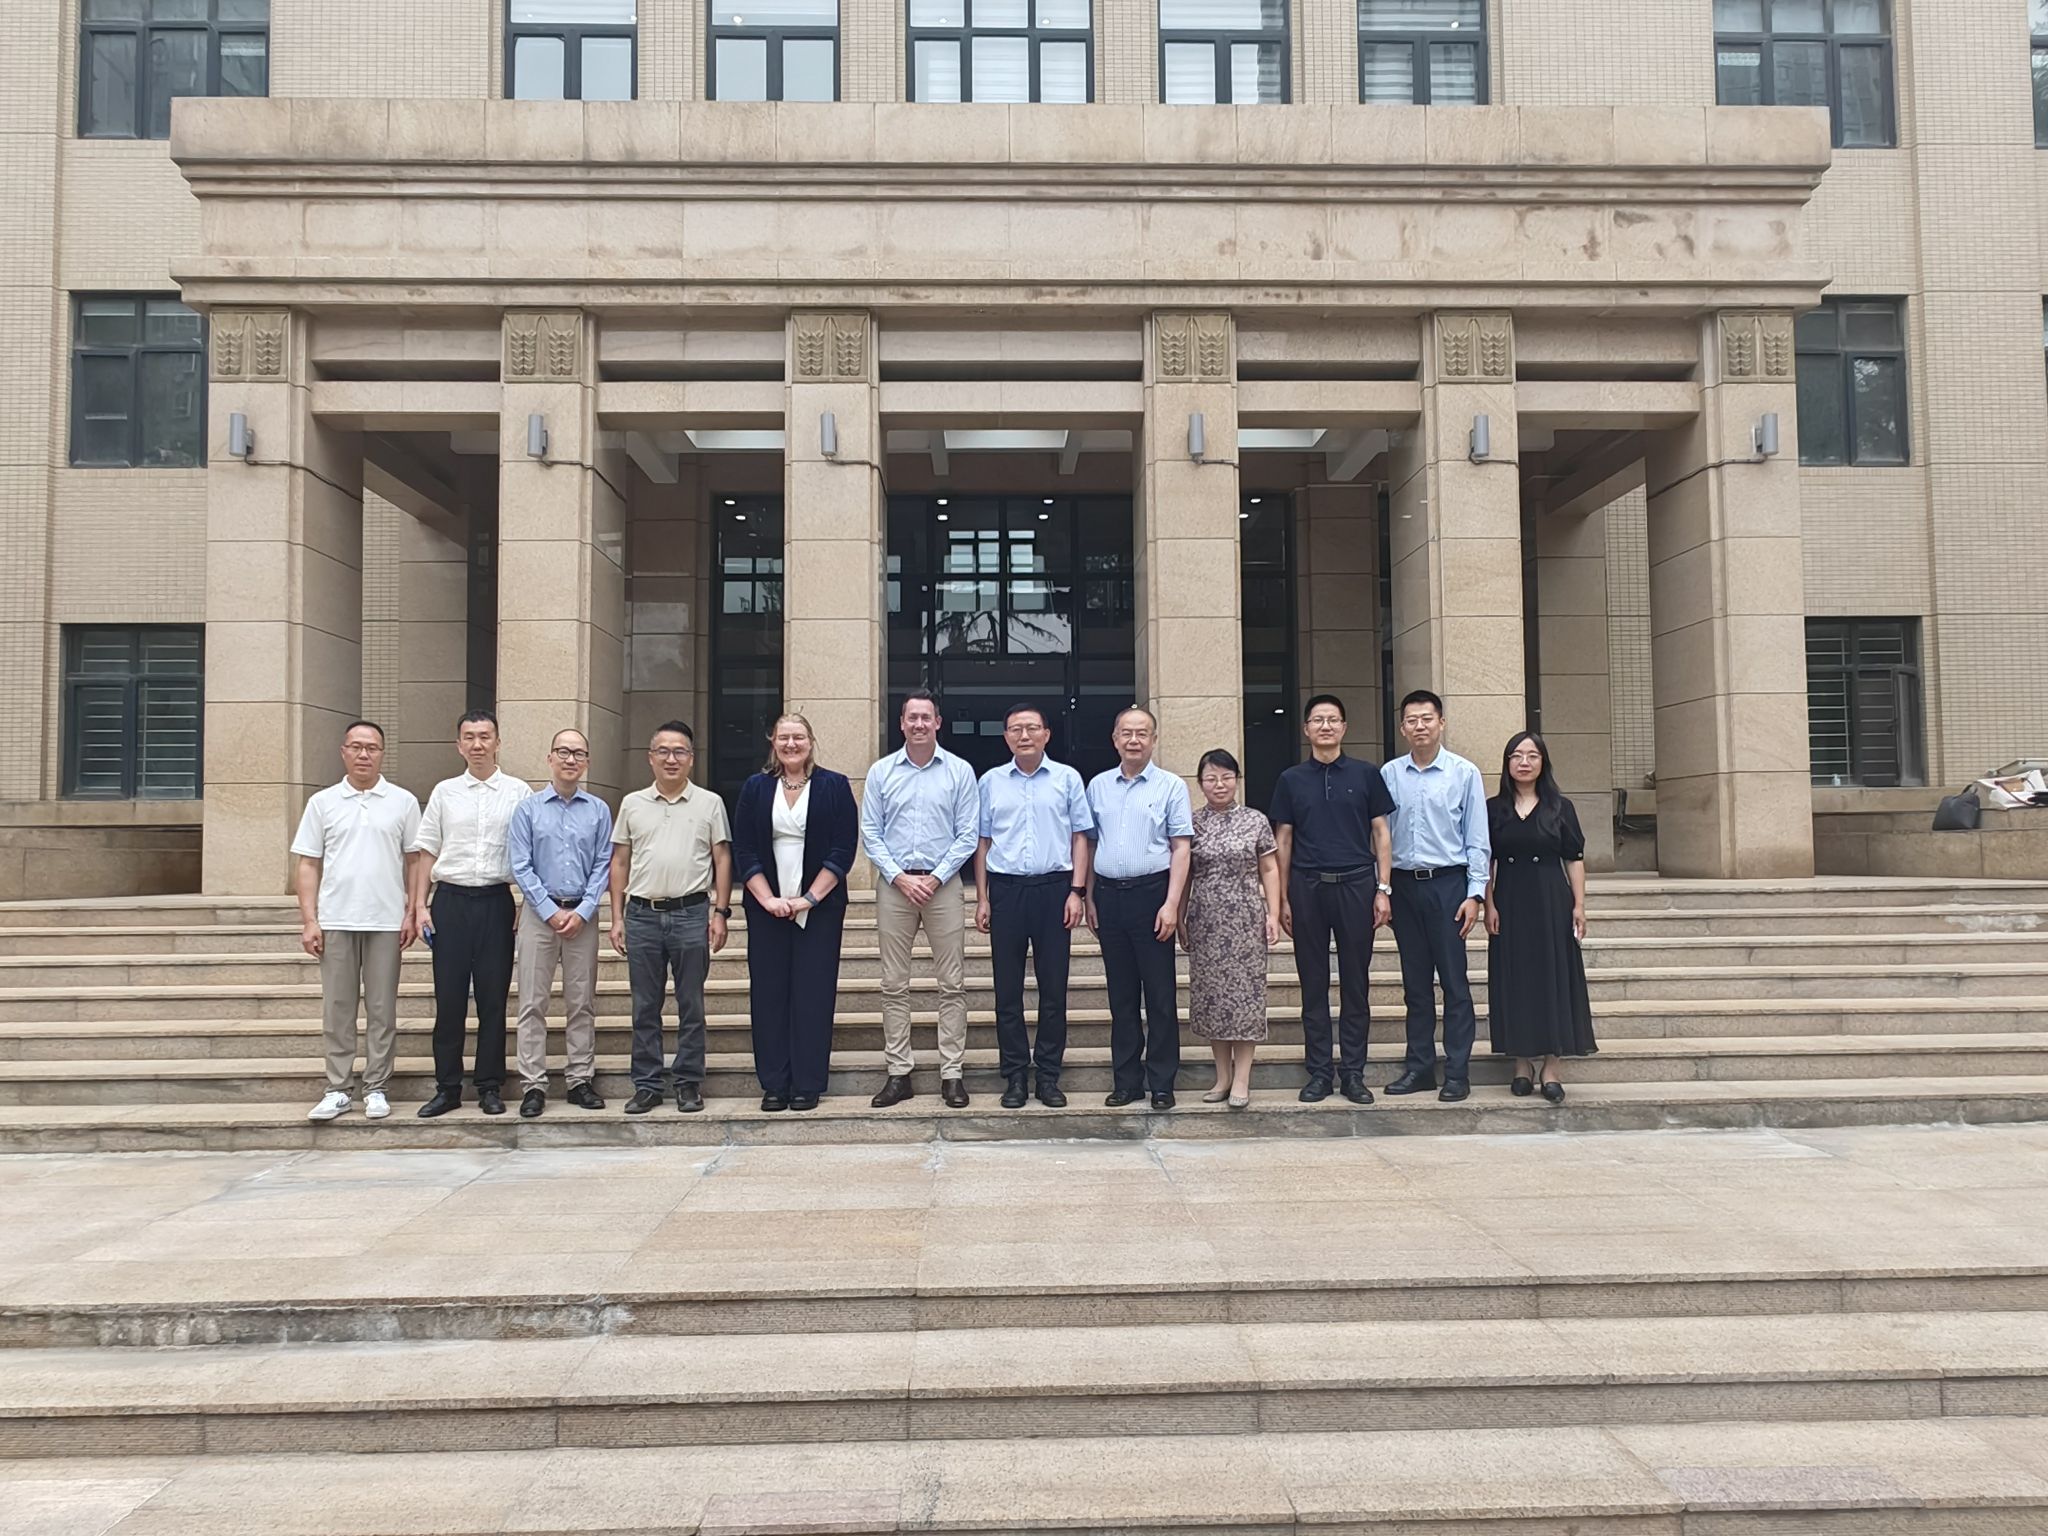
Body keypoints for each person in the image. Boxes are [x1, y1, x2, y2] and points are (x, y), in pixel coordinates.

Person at [291, 721, 421, 1123]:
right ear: (343, 751)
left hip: (386, 920)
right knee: (338, 1008)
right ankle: (338, 1088)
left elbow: (415, 860)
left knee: (382, 1008)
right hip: (336, 919)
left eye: (372, 748)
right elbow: (308, 863)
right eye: (356, 747)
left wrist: (412, 910)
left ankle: (377, 1087)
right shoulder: (323, 803)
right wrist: (310, 920)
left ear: (382, 753)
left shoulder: (402, 802)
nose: (364, 754)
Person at [1270, 693, 1394, 1106]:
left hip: (1357, 884)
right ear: (1306, 729)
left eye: (1333, 720)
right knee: (1313, 983)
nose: (1325, 726)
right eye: (1318, 720)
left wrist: (1383, 888)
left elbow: (1381, 833)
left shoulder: (1366, 774)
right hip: (1307, 886)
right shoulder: (1291, 779)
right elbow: (1283, 840)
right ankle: (1320, 1073)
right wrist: (1282, 898)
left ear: (1344, 727)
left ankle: (1354, 1073)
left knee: (1356, 983)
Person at [732, 713, 858, 1113]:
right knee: (769, 994)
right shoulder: (755, 787)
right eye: (784, 737)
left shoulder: (834, 785)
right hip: (765, 905)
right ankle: (774, 1083)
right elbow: (744, 848)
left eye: (798, 737)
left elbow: (843, 849)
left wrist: (809, 899)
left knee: (813, 994)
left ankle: (807, 1083)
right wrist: (767, 899)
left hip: (820, 908)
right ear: (773, 741)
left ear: (811, 741)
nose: (791, 744)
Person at [860, 689, 979, 1109]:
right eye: (912, 717)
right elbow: (870, 832)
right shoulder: (881, 772)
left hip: (943, 887)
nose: (919, 724)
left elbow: (968, 833)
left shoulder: (959, 771)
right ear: (901, 723)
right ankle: (899, 1073)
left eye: (926, 717)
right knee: (894, 983)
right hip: (895, 887)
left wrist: (936, 876)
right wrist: (898, 877)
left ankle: (952, 1073)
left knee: (952, 984)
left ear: (938, 723)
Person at [410, 710, 531, 1119]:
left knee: (493, 1000)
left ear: (498, 742)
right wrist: (420, 906)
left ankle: (489, 1085)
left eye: (485, 736)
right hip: (451, 903)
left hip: (497, 903)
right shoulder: (445, 792)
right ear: (458, 745)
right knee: (449, 1000)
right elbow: (427, 850)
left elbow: (529, 853)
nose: (477, 744)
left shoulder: (518, 792)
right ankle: (447, 1087)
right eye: (469, 737)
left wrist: (525, 903)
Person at [609, 720, 732, 1114]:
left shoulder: (709, 803)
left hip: (691, 913)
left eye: (679, 751)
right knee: (645, 1006)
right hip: (642, 915)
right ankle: (646, 1085)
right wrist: (616, 917)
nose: (671, 759)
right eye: (663, 751)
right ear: (650, 758)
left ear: (691, 759)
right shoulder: (632, 803)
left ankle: (688, 1083)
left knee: (690, 1004)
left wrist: (720, 912)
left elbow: (722, 858)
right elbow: (620, 861)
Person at [975, 703, 1093, 1109]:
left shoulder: (1067, 778)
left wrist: (1076, 891)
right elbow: (983, 842)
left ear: (1046, 734)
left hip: (1054, 890)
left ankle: (1047, 1075)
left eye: (1031, 728)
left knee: (1053, 989)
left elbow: (1080, 836)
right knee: (1006, 991)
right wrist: (983, 897)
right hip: (1006, 891)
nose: (1024, 736)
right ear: (1006, 736)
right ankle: (1014, 1076)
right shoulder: (990, 781)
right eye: (1015, 729)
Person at [1381, 689, 1492, 1103]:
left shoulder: (1464, 773)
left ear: (1441, 723)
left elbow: (1477, 838)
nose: (1420, 726)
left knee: (1454, 982)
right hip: (1404, 886)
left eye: (1427, 718)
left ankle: (1458, 1072)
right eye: (1412, 720)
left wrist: (1475, 894)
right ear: (1402, 727)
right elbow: (1380, 837)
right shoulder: (1389, 774)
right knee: (1415, 984)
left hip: (1448, 886)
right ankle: (1420, 1068)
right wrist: (1382, 888)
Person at [1085, 707, 1192, 1110]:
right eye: (1126, 733)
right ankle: (1126, 1081)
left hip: (1153, 896)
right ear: (1115, 739)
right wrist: (1088, 896)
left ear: (1154, 740)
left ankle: (1162, 1082)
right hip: (1109, 897)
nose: (1134, 740)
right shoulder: (1098, 786)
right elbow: (1090, 844)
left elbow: (1181, 847)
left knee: (1160, 995)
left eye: (1142, 733)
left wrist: (1172, 904)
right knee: (1122, 995)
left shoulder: (1171, 786)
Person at [507, 727, 613, 1118]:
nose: (571, 759)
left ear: (587, 762)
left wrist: (583, 910)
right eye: (563, 752)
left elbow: (604, 863)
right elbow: (520, 864)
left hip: (583, 916)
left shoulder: (599, 810)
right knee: (532, 1002)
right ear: (550, 758)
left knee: (581, 1002)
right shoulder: (528, 810)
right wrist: (549, 910)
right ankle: (533, 1084)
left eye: (578, 753)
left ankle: (579, 1079)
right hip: (539, 916)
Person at [1484, 731, 1596, 1102]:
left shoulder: (1560, 807)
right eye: (1516, 755)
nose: (1524, 762)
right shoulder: (1493, 809)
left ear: (1543, 762)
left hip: (1551, 899)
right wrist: (1489, 904)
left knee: (1553, 977)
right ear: (1507, 763)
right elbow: (1485, 862)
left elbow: (1574, 859)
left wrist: (1579, 905)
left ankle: (1551, 1066)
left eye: (1532, 755)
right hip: (1509, 901)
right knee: (1515, 978)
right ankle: (1521, 1064)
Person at [1180, 748, 1281, 1109]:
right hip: (1206, 920)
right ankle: (1222, 1076)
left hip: (1245, 919)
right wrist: (1179, 915)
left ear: (1237, 780)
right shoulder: (1192, 823)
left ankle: (1242, 1079)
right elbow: (1185, 874)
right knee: (1213, 999)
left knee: (1245, 998)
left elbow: (1269, 868)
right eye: (1211, 778)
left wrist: (1273, 913)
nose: (1219, 784)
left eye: (1226, 777)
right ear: (1201, 783)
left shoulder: (1255, 820)